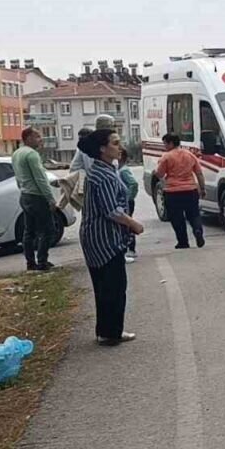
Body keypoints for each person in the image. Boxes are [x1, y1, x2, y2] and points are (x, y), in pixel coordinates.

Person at [77, 129, 143, 346]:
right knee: (112, 287)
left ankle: (108, 330)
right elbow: (111, 210)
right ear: (102, 149)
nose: (119, 147)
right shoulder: (102, 175)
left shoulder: (104, 170)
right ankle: (110, 332)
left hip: (103, 237)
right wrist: (133, 223)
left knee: (108, 286)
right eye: (115, 143)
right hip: (103, 239)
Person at [12, 127, 58, 271]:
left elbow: (18, 177)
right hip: (37, 196)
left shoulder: (16, 153)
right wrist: (50, 198)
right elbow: (40, 178)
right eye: (37, 136)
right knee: (48, 230)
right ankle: (42, 261)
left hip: (25, 195)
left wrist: (22, 188)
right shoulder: (32, 154)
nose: (40, 139)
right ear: (28, 138)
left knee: (29, 231)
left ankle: (30, 262)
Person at [154, 133, 206, 249]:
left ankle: (183, 242)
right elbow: (199, 173)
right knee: (194, 214)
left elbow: (160, 174)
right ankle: (197, 230)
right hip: (190, 190)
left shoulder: (166, 157)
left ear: (171, 143)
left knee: (177, 218)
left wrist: (155, 172)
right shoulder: (190, 155)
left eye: (165, 144)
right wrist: (202, 189)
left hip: (172, 192)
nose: (164, 146)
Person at [117, 146, 139, 263]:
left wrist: (129, 198)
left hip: (127, 202)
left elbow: (133, 184)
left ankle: (131, 248)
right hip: (125, 202)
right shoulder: (119, 170)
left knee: (128, 224)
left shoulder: (123, 171)